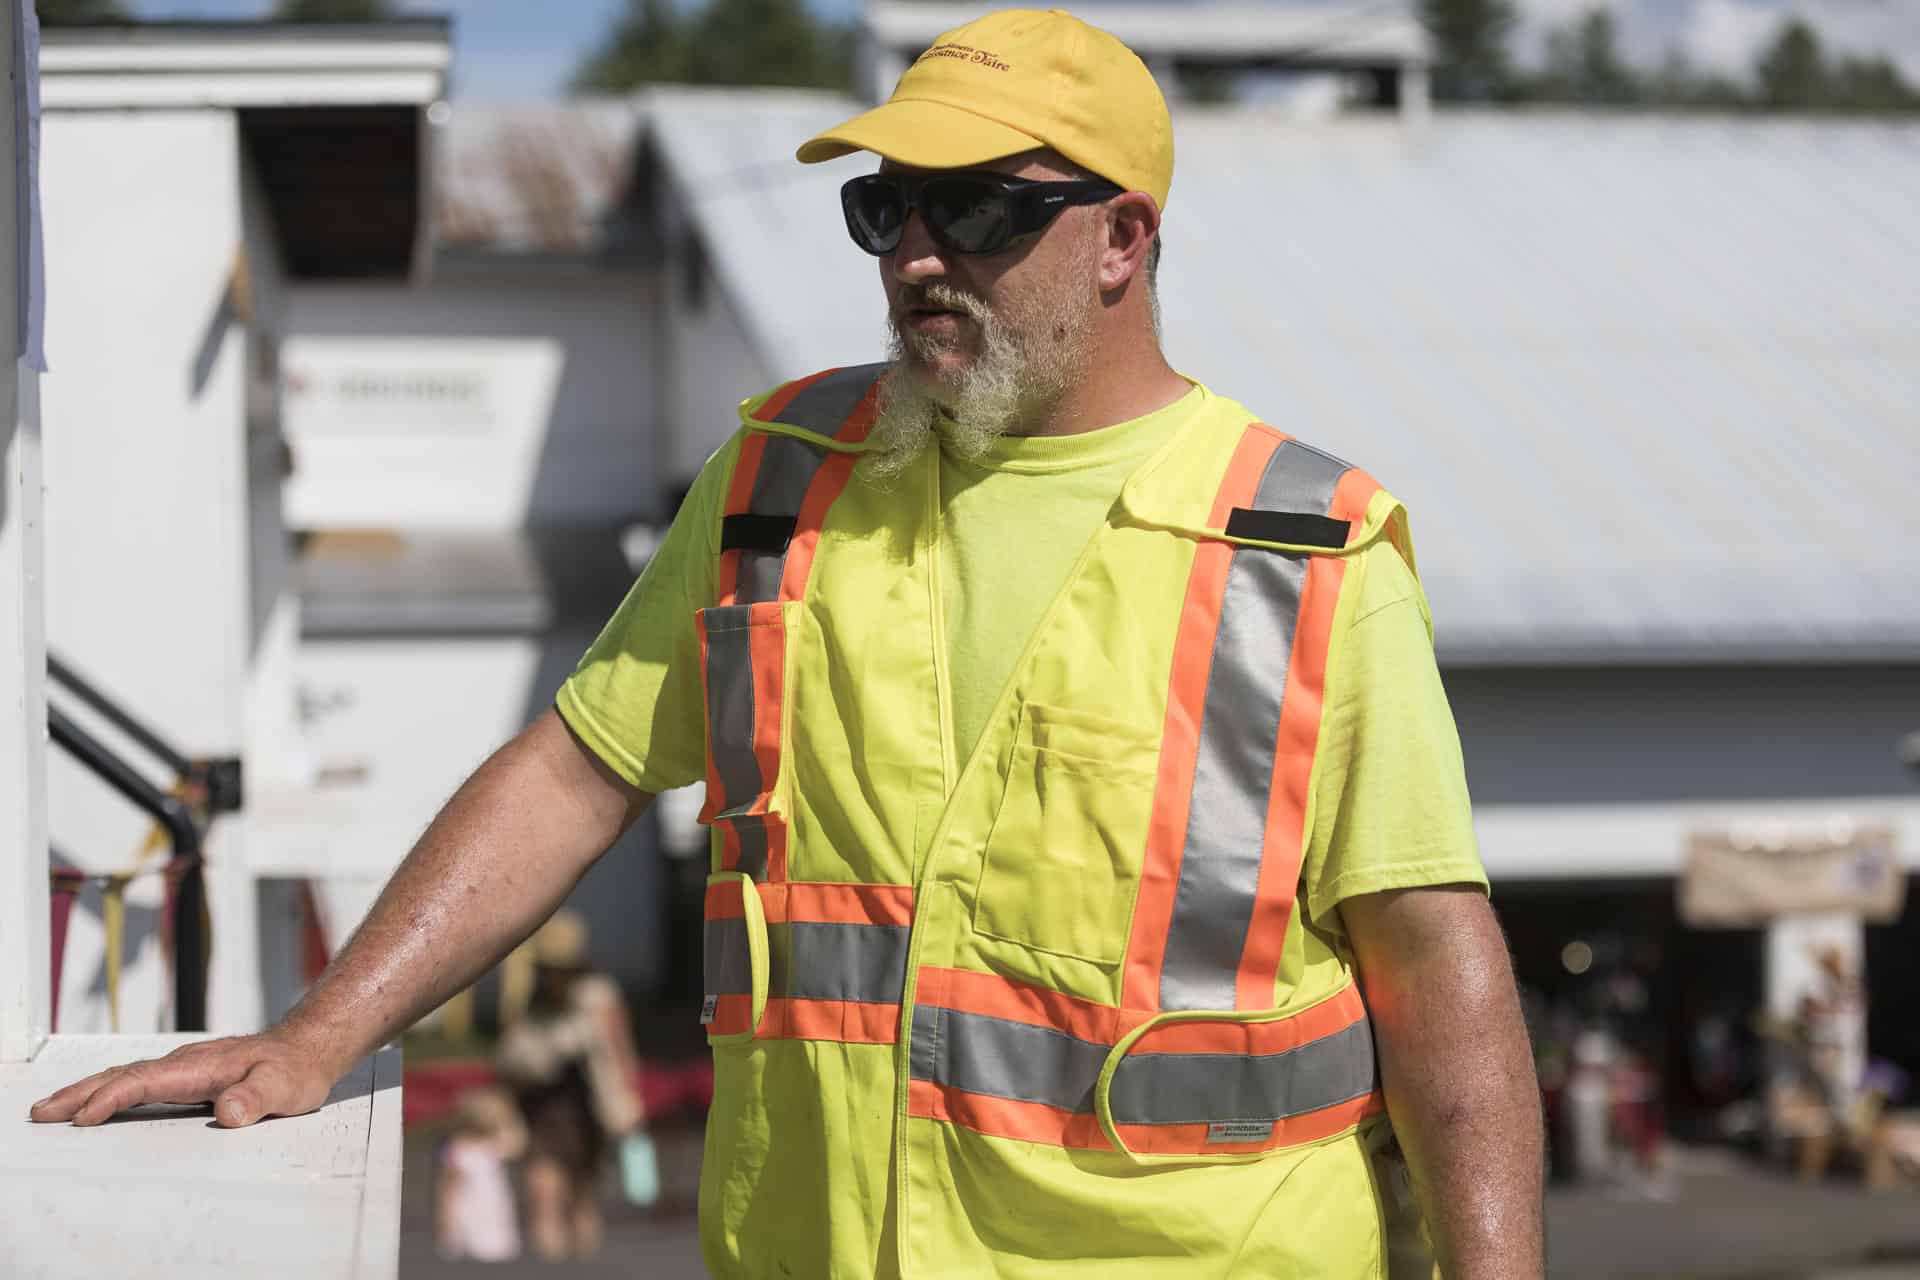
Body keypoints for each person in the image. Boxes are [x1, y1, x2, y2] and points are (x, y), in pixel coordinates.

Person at [30, 10, 1545, 1276]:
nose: (915, 258)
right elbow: (576, 773)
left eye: (979, 209)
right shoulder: (779, 480)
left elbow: (1440, 976)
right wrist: (315, 1036)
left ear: (1122, 239)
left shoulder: (1303, 555)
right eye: (885, 209)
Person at [493, 910, 644, 1259]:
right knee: (543, 1190)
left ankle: (583, 1266)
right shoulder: (533, 997)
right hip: (542, 1104)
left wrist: (629, 1098)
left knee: (582, 1192)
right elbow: (511, 1055)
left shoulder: (597, 994)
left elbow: (617, 1049)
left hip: (586, 1105)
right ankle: (551, 1265)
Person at [433, 1085, 526, 1263]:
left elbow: (518, 1143)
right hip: (469, 1213)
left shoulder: (491, 1146)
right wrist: (446, 1222)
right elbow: (447, 1189)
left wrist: (509, 1114)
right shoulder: (458, 1150)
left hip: (492, 1212)